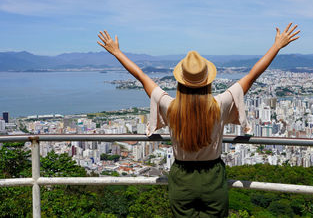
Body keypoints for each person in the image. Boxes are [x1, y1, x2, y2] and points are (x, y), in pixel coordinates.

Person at [97, 23, 299, 217]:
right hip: (212, 176)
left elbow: (141, 76)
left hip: (181, 177)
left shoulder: (171, 107)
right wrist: (277, 46)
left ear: (180, 82)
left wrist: (116, 52)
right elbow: (252, 75)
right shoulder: (219, 105)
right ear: (208, 82)